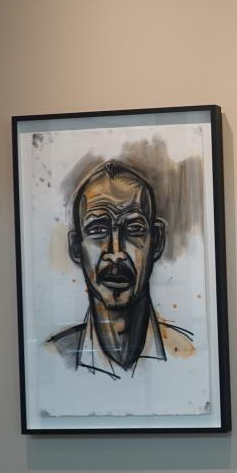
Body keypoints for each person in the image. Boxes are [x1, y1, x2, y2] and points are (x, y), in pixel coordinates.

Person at [48, 161, 194, 379]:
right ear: (76, 248)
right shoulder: (53, 358)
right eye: (97, 230)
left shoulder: (188, 353)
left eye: (134, 228)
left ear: (157, 241)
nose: (116, 253)